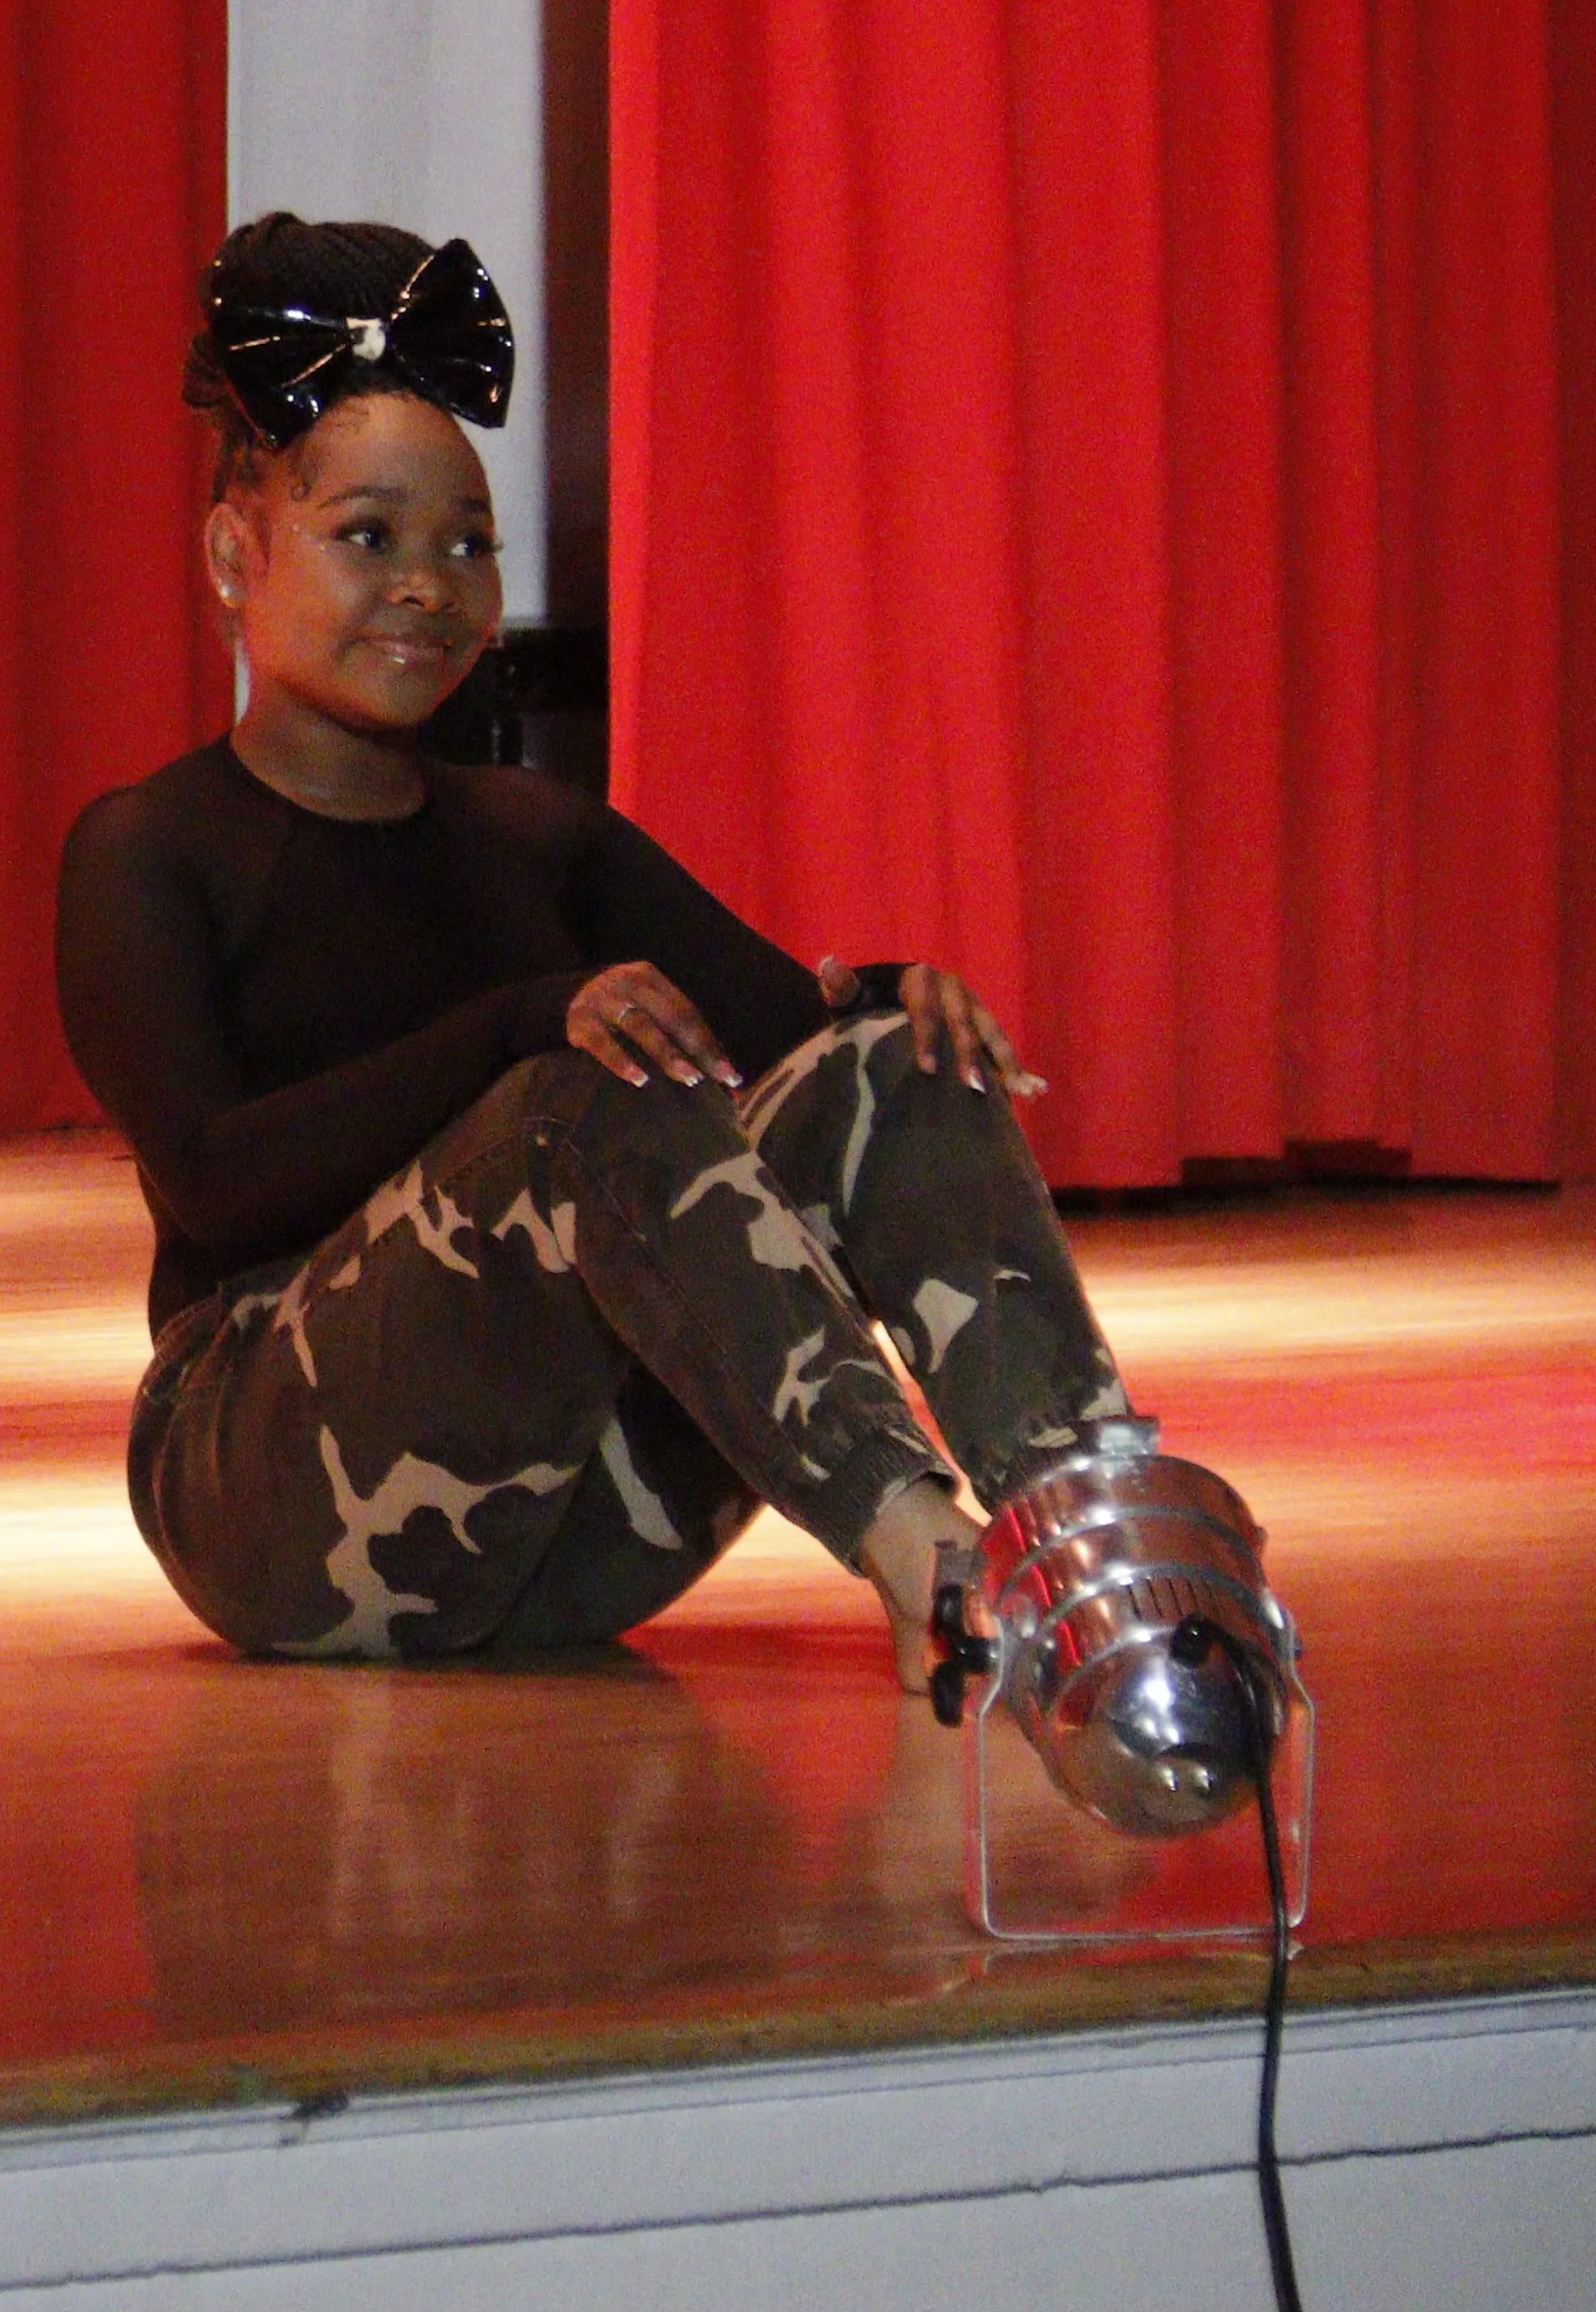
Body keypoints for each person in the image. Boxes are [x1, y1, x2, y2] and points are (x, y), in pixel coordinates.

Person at [56, 218, 1155, 1682]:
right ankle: (929, 1561)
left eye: (467, 545)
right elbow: (215, 1175)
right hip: (274, 1492)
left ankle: (1093, 1541)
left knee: (890, 1068)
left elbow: (793, 1042)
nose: (430, 586)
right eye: (367, 538)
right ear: (233, 555)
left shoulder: (535, 832)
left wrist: (901, 1009)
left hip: (562, 1523)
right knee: (591, 1080)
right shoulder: (146, 849)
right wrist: (522, 1029)